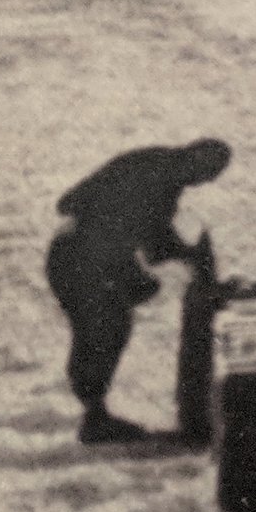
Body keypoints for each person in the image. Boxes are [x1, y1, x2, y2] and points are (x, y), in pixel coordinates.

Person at [44, 139, 233, 442]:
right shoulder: (155, 176)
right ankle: (94, 419)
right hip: (79, 256)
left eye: (211, 175)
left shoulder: (158, 172)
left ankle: (95, 415)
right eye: (206, 170)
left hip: (82, 255)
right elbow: (154, 243)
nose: (204, 180)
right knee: (103, 331)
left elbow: (151, 240)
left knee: (109, 330)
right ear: (192, 155)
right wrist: (194, 255)